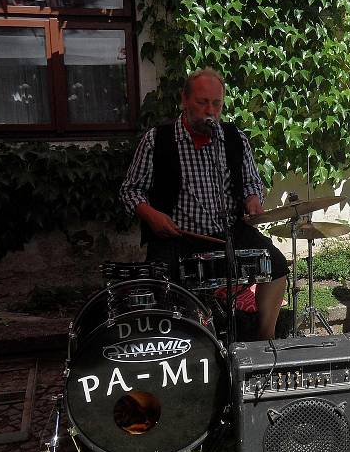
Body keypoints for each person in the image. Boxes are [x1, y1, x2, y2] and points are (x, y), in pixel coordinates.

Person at [120, 67, 288, 340]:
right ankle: (182, 347)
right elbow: (130, 191)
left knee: (277, 266)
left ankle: (262, 341)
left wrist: (253, 199)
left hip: (229, 232)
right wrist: (152, 216)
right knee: (163, 288)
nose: (210, 110)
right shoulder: (157, 139)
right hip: (175, 236)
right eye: (202, 102)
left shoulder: (234, 139)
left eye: (216, 103)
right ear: (185, 101)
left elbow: (252, 183)